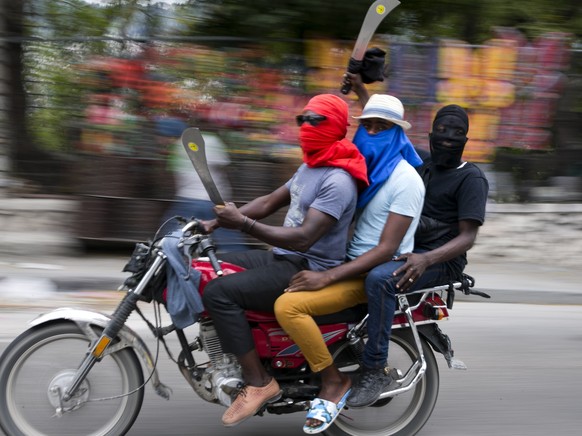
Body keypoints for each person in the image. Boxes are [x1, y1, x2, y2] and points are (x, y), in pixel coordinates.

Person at [280, 74, 489, 424]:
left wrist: (426, 258)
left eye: (455, 134)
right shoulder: (422, 165)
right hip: (407, 249)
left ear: (465, 139)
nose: (447, 139)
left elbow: (468, 236)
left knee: (379, 279)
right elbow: (386, 132)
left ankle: (374, 369)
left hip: (439, 259)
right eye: (442, 132)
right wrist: (362, 91)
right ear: (431, 136)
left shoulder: (472, 178)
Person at [201, 93, 369, 428]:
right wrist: (215, 223)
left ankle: (259, 382)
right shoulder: (311, 165)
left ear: (335, 126)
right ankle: (234, 355)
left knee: (219, 292)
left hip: (305, 267)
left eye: (315, 119)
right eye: (302, 119)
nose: (306, 125)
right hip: (281, 258)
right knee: (206, 268)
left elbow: (305, 237)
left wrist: (243, 224)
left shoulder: (338, 179)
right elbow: (268, 202)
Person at [275, 79, 425, 433]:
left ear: (397, 133)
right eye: (366, 125)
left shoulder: (405, 180)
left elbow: (386, 249)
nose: (372, 132)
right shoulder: (367, 166)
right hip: (343, 262)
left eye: (381, 127)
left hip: (368, 271)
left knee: (288, 307)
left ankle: (335, 382)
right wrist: (359, 88)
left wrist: (326, 277)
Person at [158, 118, 247, 251]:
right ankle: (239, 263)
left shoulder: (176, 147)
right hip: (215, 200)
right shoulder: (213, 141)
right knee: (228, 238)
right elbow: (225, 169)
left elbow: (172, 180)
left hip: (188, 200)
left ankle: (170, 264)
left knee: (169, 237)